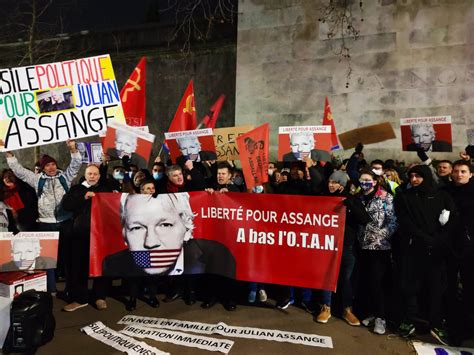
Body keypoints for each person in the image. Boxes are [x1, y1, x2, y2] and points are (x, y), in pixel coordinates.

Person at [5, 140, 81, 294]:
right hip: (46, 224)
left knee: (68, 258)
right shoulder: (37, 179)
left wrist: (72, 148)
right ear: (43, 168)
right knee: (48, 260)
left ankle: (70, 289)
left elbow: (76, 164)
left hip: (65, 221)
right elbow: (19, 170)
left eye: (53, 164)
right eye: (47, 165)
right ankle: (51, 289)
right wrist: (9, 153)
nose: (51, 167)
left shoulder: (64, 177)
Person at [102, 193, 236, 277]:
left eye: (165, 225)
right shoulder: (112, 265)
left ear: (187, 229)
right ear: (124, 234)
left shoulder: (218, 255)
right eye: (137, 228)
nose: (150, 242)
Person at [395, 164, 455, 346]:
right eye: (411, 176)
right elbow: (405, 221)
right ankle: (410, 319)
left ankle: (435, 324)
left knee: (435, 287)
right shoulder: (404, 197)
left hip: (437, 250)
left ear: (426, 177)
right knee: (410, 286)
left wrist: (438, 239)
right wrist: (424, 238)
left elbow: (452, 218)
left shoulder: (441, 195)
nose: (414, 180)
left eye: (418, 176)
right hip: (413, 249)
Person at [316, 170, 371, 326]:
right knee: (326, 277)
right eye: (330, 182)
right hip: (325, 245)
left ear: (342, 184)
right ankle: (326, 307)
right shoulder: (323, 197)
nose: (331, 185)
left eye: (335, 182)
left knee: (346, 280)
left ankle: (347, 309)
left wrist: (350, 203)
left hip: (347, 246)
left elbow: (365, 219)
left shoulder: (352, 199)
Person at [61, 164, 112, 312]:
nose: (92, 176)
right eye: (90, 173)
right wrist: (83, 197)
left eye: (95, 174)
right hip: (80, 234)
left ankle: (100, 297)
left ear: (99, 175)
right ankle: (80, 298)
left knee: (101, 266)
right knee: (79, 266)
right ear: (85, 174)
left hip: (101, 234)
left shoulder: (104, 189)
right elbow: (67, 205)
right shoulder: (77, 189)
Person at [356, 169, 397, 335]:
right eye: (361, 179)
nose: (364, 182)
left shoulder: (385, 197)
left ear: (374, 181)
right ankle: (371, 313)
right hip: (361, 245)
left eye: (367, 180)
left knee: (377, 282)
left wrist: (382, 235)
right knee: (366, 281)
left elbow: (393, 221)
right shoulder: (358, 197)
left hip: (380, 247)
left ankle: (381, 317)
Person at [443, 160, 474, 343]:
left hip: (470, 249)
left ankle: (469, 326)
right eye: (456, 171)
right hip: (448, 246)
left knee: (470, 288)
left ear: (471, 174)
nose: (459, 174)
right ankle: (453, 326)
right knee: (450, 287)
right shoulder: (445, 191)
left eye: (463, 171)